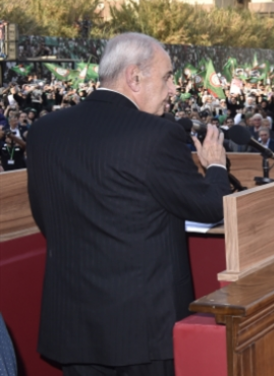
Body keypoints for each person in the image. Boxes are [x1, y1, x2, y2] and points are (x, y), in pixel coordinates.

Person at [26, 33, 233, 376]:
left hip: (72, 328)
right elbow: (211, 206)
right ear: (134, 77)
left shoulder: (45, 131)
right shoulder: (154, 135)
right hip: (142, 333)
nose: (173, 90)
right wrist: (215, 166)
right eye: (167, 78)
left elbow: (46, 218)